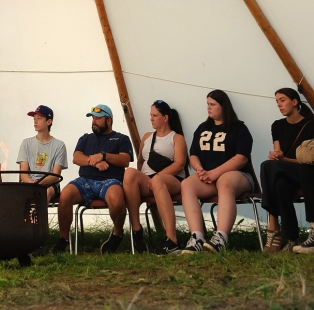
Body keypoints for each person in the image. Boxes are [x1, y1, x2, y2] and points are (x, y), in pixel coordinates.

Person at [51, 104, 133, 254]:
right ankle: (64, 240)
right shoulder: (86, 138)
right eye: (93, 118)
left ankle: (117, 234)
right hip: (85, 180)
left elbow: (125, 160)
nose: (94, 121)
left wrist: (104, 155)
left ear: (109, 120)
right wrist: (94, 161)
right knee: (65, 195)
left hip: (111, 180)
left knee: (116, 197)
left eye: (98, 118)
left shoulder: (121, 138)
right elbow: (76, 158)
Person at [181, 89, 254, 254]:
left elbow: (241, 158)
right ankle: (197, 237)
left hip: (239, 177)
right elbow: (193, 154)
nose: (209, 108)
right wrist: (199, 169)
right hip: (209, 178)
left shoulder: (239, 128)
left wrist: (215, 173)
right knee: (187, 184)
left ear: (223, 106)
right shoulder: (203, 128)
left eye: (213, 104)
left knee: (225, 182)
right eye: (207, 104)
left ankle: (221, 238)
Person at [123, 100, 187, 254]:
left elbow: (179, 164)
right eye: (150, 115)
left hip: (171, 179)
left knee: (158, 181)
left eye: (154, 115)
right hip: (148, 180)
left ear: (165, 118)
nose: (151, 118)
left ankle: (172, 239)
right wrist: (143, 178)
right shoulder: (146, 137)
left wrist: (157, 177)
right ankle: (137, 231)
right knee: (129, 173)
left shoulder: (176, 138)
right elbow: (140, 162)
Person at [259, 87, 314, 253]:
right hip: (284, 171)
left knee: (267, 166)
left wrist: (283, 160)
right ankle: (292, 238)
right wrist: (278, 157)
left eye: (282, 100)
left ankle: (273, 228)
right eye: (277, 101)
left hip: (305, 170)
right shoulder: (277, 126)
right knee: (280, 184)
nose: (279, 105)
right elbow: (278, 153)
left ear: (295, 101)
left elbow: (309, 158)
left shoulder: (310, 124)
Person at [17, 105, 68, 203]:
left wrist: (39, 183)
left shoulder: (59, 145)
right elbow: (23, 173)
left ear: (49, 122)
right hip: (29, 183)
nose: (35, 121)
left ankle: (39, 218)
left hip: (50, 184)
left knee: (45, 193)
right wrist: (31, 182)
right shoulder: (26, 143)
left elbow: (55, 175)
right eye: (34, 118)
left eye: (39, 118)